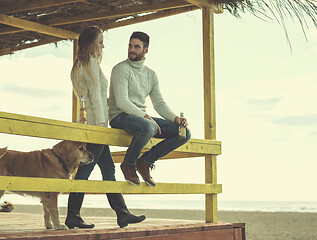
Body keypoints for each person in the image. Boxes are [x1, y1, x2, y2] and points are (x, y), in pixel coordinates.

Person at [65, 26, 145, 229]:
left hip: (90, 122)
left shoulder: (79, 65)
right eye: (100, 41)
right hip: (96, 124)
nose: (103, 45)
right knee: (86, 169)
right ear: (91, 43)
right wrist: (102, 124)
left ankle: (122, 213)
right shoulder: (90, 62)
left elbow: (89, 98)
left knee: (108, 169)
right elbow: (94, 95)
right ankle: (73, 214)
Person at [109, 31, 191, 187]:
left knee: (184, 133)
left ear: (145, 50)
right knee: (150, 126)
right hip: (120, 116)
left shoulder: (151, 75)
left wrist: (176, 119)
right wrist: (146, 117)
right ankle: (128, 163)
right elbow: (121, 102)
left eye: (136, 47)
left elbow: (159, 103)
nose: (131, 50)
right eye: (130, 46)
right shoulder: (120, 68)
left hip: (141, 119)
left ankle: (146, 161)